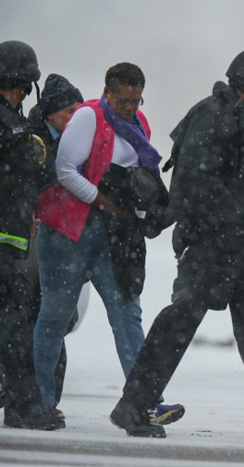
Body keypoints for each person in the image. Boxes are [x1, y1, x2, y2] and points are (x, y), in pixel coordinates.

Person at [110, 49, 244, 444]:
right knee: (180, 321)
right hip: (214, 246)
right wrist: (236, 225)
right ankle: (133, 404)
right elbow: (198, 185)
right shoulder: (213, 116)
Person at [32, 62, 183, 426]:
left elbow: (140, 175)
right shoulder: (87, 117)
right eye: (124, 101)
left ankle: (144, 401)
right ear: (108, 91)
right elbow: (65, 171)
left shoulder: (139, 125)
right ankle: (38, 400)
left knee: (127, 316)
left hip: (115, 237)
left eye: (137, 100)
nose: (131, 108)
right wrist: (102, 201)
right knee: (54, 316)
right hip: (70, 233)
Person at [0, 39, 63, 430]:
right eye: (25, 87)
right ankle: (23, 407)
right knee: (15, 325)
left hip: (10, 241)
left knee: (16, 322)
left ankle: (22, 406)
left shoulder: (14, 123)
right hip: (4, 243)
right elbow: (38, 167)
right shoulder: (9, 125)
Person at [23, 73, 83, 419]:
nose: (75, 118)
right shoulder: (33, 142)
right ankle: (37, 400)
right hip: (31, 246)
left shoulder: (76, 142)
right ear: (49, 114)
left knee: (55, 321)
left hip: (62, 242)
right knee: (40, 319)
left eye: (79, 109)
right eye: (68, 111)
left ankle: (47, 401)